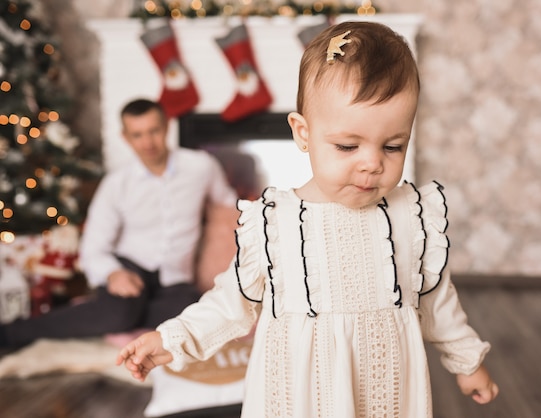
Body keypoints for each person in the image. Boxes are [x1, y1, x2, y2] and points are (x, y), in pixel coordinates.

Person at [117, 22, 499, 417]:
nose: (372, 164)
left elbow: (437, 300)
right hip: (299, 394)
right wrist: (171, 339)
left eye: (393, 146)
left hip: (385, 390)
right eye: (348, 146)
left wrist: (467, 361)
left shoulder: (412, 216)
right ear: (303, 133)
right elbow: (231, 303)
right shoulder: (276, 223)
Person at [0, 98, 237, 348]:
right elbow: (93, 246)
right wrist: (113, 274)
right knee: (119, 313)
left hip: (177, 277)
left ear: (167, 127)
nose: (147, 143)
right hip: (130, 267)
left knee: (192, 314)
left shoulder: (202, 166)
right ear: (125, 137)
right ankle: (12, 332)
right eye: (137, 135)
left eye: (153, 131)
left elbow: (229, 207)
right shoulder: (117, 184)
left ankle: (102, 313)